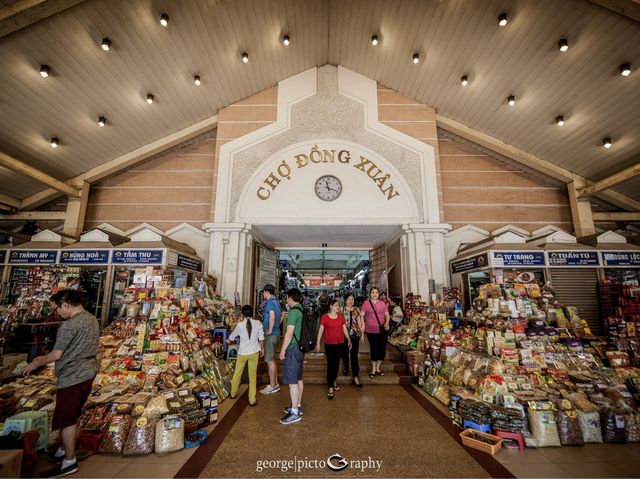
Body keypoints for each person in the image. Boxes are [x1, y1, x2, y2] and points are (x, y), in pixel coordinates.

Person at [22, 289, 99, 478]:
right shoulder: (92, 320)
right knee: (75, 413)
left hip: (72, 376)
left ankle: (69, 461)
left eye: (57, 308)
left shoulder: (69, 326)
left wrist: (36, 362)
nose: (57, 312)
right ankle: (64, 449)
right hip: (88, 374)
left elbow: (57, 354)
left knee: (67, 419)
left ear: (66, 304)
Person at [227, 305, 264, 406]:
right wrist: (262, 349)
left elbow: (232, 336)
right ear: (252, 313)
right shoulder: (258, 323)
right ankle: (252, 400)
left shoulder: (239, 325)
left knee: (237, 374)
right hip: (254, 353)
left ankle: (233, 394)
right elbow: (261, 339)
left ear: (242, 314)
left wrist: (228, 340)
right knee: (252, 377)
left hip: (242, 353)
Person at [279, 288, 305, 424]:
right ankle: (297, 405)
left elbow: (289, 333)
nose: (286, 300)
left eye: (286, 297)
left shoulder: (293, 312)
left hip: (293, 349)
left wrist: (283, 349)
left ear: (289, 298)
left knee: (292, 381)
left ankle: (294, 412)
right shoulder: (301, 309)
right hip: (300, 349)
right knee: (299, 378)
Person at [316, 299, 351, 399]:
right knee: (331, 364)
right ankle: (330, 387)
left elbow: (344, 329)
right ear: (331, 306)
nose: (338, 307)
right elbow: (321, 330)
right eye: (336, 305)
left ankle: (334, 380)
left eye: (338, 305)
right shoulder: (325, 317)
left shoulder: (341, 317)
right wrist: (318, 342)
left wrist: (348, 339)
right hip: (329, 345)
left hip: (340, 344)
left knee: (336, 365)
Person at [361, 287, 390, 379]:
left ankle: (378, 368)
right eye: (373, 292)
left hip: (382, 330)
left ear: (378, 294)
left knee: (382, 349)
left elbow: (387, 315)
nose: (374, 294)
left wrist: (387, 322)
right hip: (371, 331)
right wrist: (362, 325)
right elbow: (361, 315)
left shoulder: (382, 304)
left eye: (376, 292)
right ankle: (373, 369)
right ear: (370, 294)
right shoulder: (366, 304)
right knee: (374, 349)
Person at [260, 284, 281, 395]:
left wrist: (270, 330)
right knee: (272, 360)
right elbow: (281, 316)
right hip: (276, 334)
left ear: (267, 292)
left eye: (263, 292)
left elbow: (272, 317)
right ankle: (275, 383)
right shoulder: (277, 302)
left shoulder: (270, 303)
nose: (263, 294)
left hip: (271, 335)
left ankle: (273, 386)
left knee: (269, 361)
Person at [343, 293, 365, 387]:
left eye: (352, 299)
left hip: (355, 336)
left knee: (354, 356)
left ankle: (355, 376)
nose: (350, 301)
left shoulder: (357, 310)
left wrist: (362, 334)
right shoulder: (341, 310)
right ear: (345, 301)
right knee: (344, 354)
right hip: (343, 336)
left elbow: (360, 322)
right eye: (348, 299)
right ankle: (346, 367)